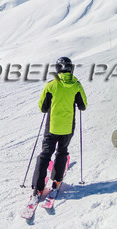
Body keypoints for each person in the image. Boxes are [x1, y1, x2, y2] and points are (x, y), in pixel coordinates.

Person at [32, 56, 87, 197]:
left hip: (52, 126)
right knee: (62, 152)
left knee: (45, 154)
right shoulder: (76, 85)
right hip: (68, 127)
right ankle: (56, 181)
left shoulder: (51, 85)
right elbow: (83, 106)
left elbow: (43, 108)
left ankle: (38, 187)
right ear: (70, 68)